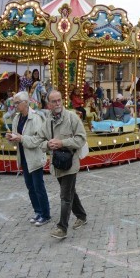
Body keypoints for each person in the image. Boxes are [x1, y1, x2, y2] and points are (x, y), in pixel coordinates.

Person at [39, 89, 89, 240]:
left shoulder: (72, 118)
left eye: (59, 100)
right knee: (70, 192)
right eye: (54, 101)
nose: (57, 103)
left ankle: (62, 227)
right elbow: (40, 140)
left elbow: (81, 139)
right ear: (49, 104)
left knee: (65, 195)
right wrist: (48, 144)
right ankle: (81, 215)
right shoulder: (47, 121)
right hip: (57, 164)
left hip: (71, 162)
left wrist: (62, 143)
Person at [6, 91, 52, 226]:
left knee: (39, 187)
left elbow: (38, 139)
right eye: (14, 103)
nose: (14, 105)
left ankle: (46, 214)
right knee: (30, 187)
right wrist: (11, 138)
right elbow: (16, 138)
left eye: (17, 103)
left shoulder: (35, 118)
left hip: (35, 157)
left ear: (25, 103)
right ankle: (38, 211)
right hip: (24, 157)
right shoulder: (16, 118)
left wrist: (21, 138)